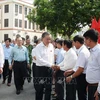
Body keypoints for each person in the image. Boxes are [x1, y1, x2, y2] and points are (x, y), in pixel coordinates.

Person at [65, 35, 90, 100]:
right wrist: (72, 70)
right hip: (83, 75)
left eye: (74, 42)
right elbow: (78, 66)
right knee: (82, 94)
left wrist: (71, 76)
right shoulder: (83, 50)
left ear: (77, 42)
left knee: (81, 95)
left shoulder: (82, 52)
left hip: (82, 76)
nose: (73, 44)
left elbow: (80, 69)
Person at [35, 32, 54, 100]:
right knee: (40, 88)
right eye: (47, 39)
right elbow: (39, 59)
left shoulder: (51, 46)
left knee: (49, 88)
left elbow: (52, 57)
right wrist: (51, 64)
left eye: (50, 39)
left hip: (49, 69)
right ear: (42, 38)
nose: (49, 41)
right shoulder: (38, 47)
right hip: (40, 70)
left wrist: (52, 66)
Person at [83, 29, 100, 100]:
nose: (84, 41)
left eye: (85, 39)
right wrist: (89, 84)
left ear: (89, 40)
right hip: (91, 86)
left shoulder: (98, 51)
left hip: (96, 88)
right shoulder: (92, 51)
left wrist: (99, 91)